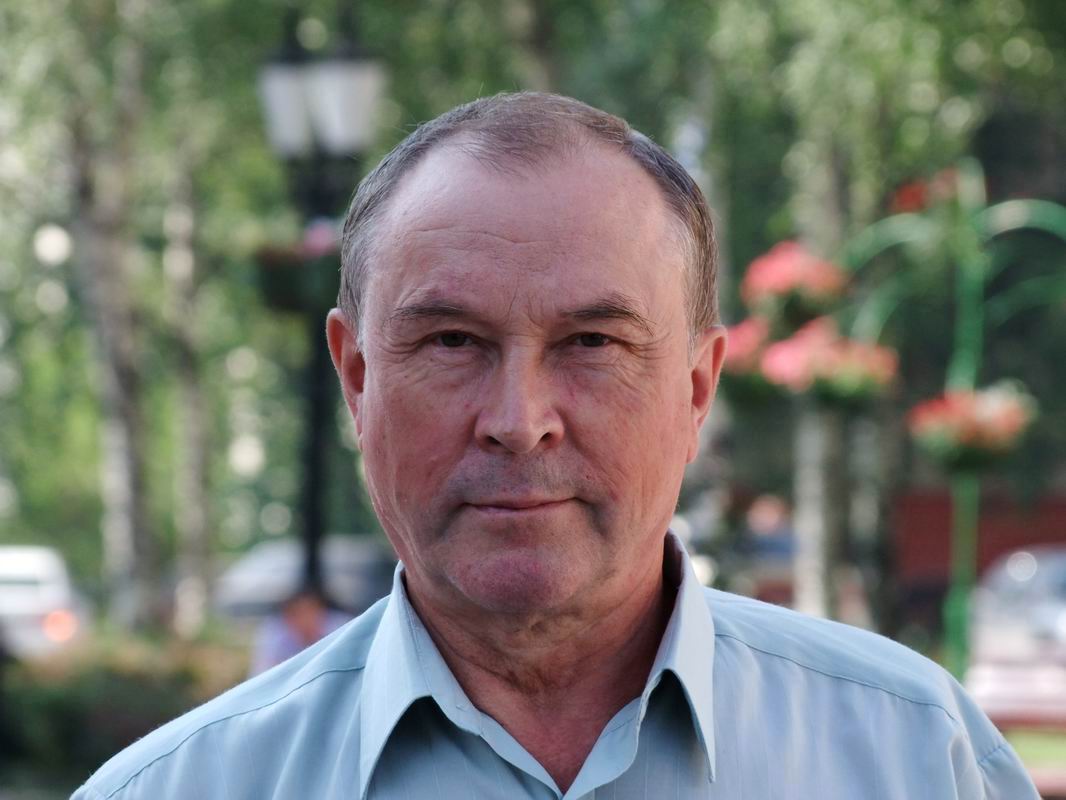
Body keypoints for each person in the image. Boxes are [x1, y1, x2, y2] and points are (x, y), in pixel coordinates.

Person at [72, 93, 1038, 799]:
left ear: (696, 388)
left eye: (592, 343)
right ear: (357, 379)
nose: (518, 418)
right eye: (453, 342)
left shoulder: (919, 759)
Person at [248, 587, 351, 676]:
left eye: (310, 612)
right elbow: (261, 674)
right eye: (298, 614)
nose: (305, 619)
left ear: (321, 611)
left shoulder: (342, 628)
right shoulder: (274, 632)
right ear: (287, 617)